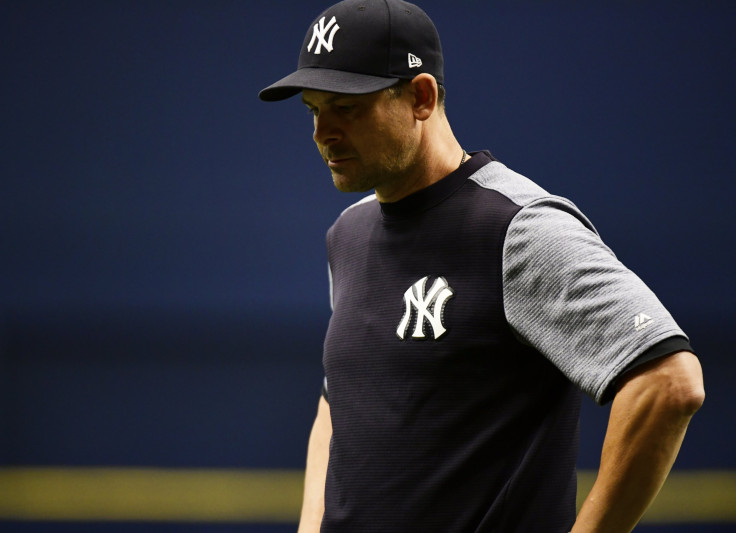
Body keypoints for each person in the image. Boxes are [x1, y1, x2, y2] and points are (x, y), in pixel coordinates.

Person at [259, 1, 705, 531]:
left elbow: (670, 383)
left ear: (421, 97)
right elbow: (339, 399)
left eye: (346, 108)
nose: (322, 132)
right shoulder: (349, 233)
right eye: (314, 109)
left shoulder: (517, 229)